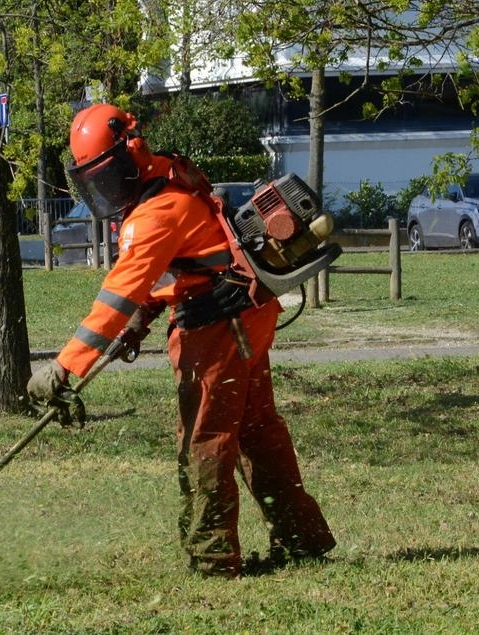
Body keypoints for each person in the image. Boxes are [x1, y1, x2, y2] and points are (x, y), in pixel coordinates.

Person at [27, 103, 335, 578]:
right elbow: (199, 261)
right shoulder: (173, 181)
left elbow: (117, 294)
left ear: (133, 153)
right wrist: (147, 311)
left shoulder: (154, 214)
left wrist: (64, 367)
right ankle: (302, 538)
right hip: (244, 317)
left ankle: (212, 557)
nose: (106, 189)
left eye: (108, 175)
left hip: (217, 329)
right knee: (258, 431)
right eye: (97, 180)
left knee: (205, 439)